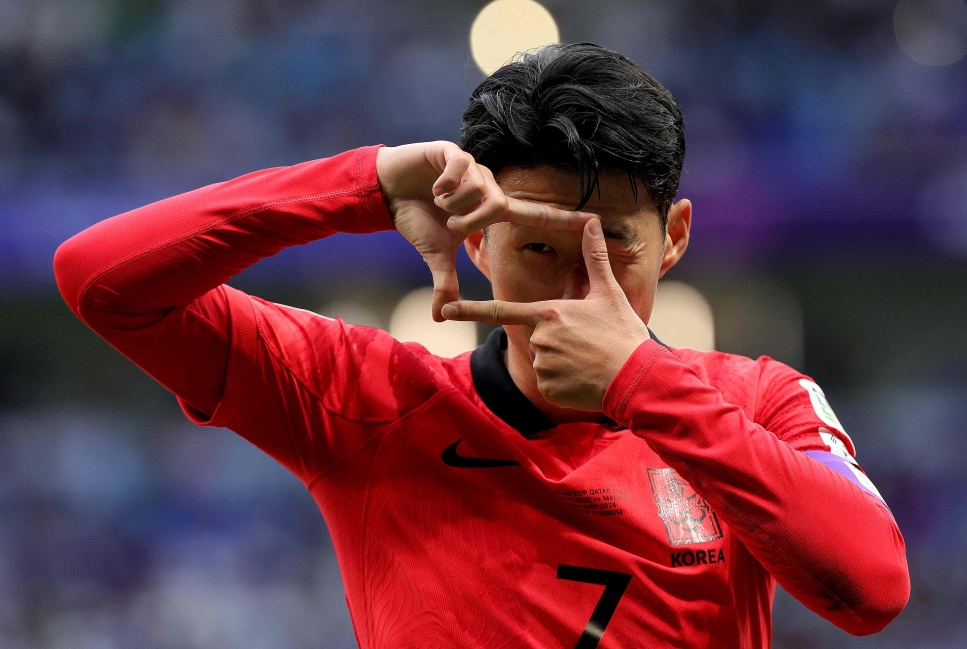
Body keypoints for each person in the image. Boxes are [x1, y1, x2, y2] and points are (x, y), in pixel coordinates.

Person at [53, 43, 909, 647]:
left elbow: (873, 588)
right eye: (538, 248)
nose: (578, 293)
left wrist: (643, 382)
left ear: (676, 236)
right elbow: (99, 279)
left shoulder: (759, 401)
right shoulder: (367, 402)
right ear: (475, 238)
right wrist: (362, 186)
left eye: (614, 247)